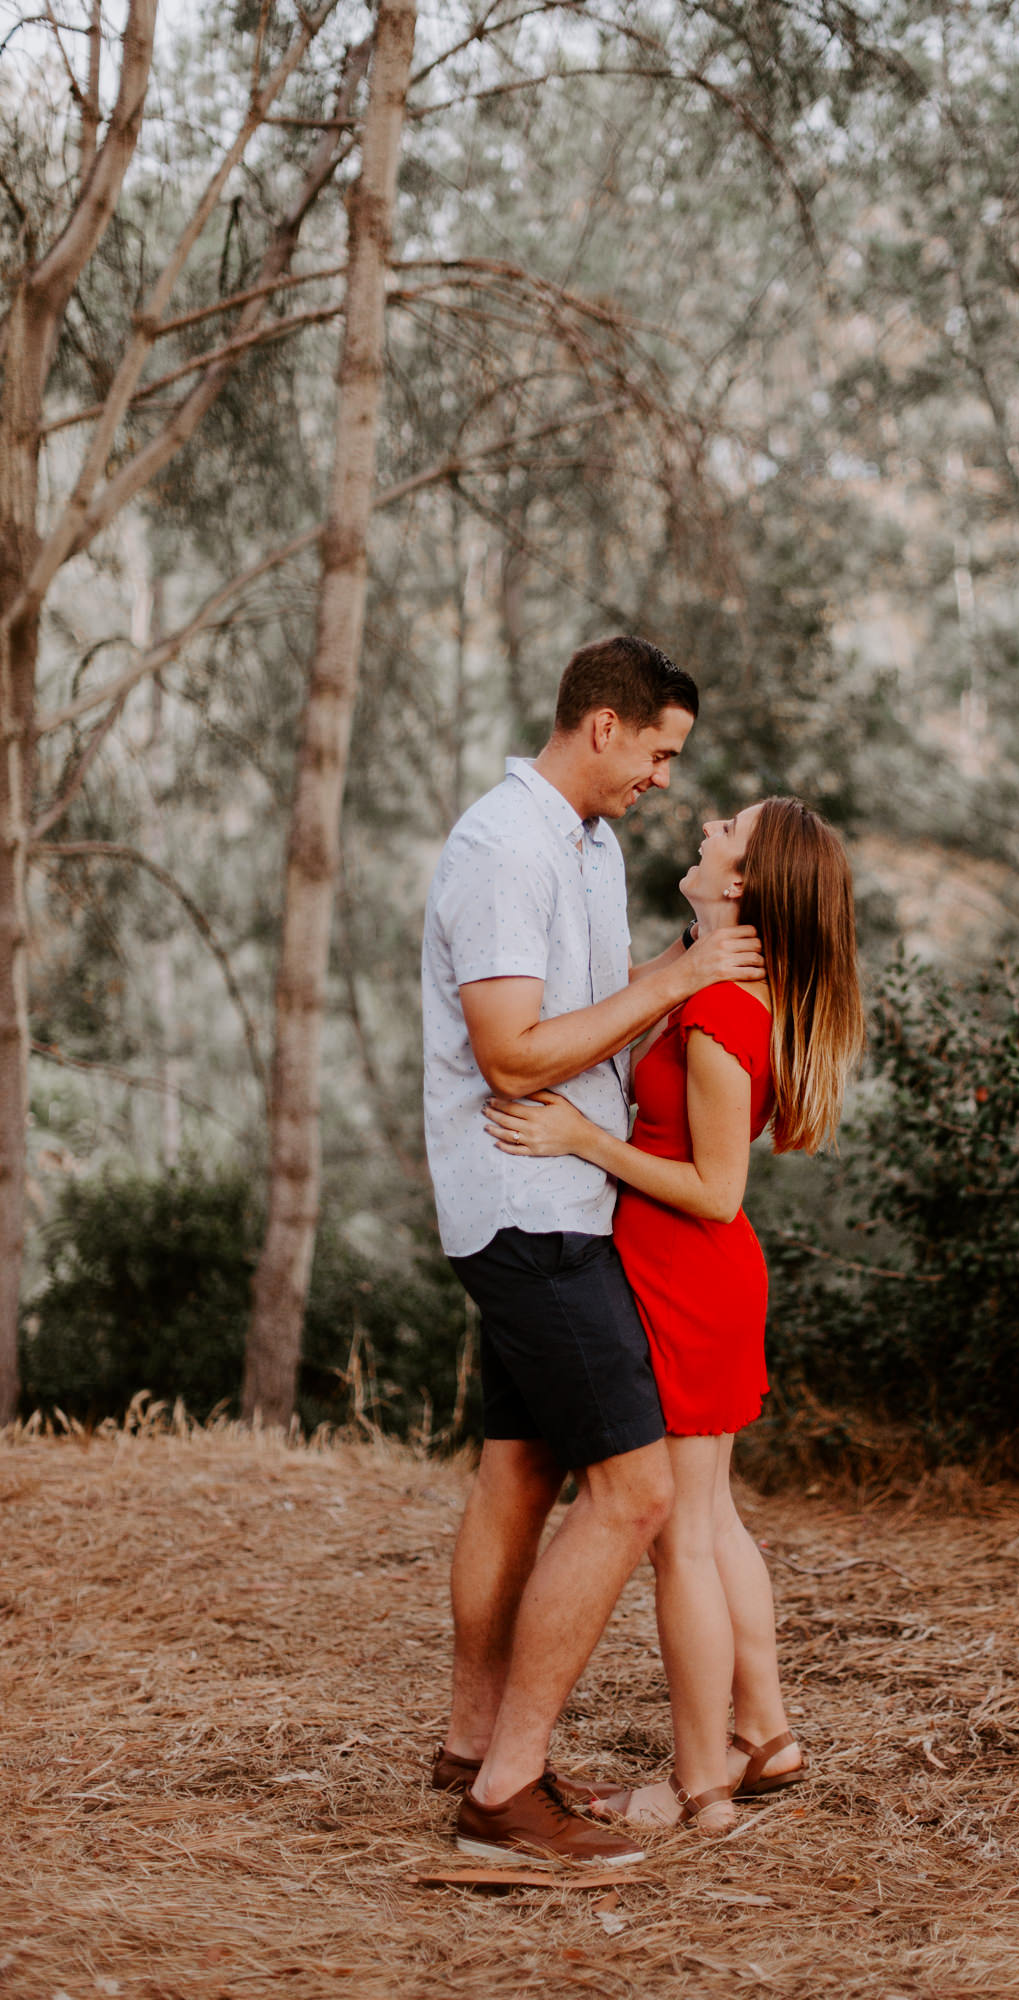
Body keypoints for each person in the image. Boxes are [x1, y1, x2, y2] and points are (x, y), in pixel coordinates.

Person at [422, 634, 766, 1866]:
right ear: (603, 726)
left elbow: (582, 1009)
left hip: (566, 1198)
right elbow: (515, 1050)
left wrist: (669, 978)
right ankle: (507, 1792)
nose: (665, 778)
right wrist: (680, 975)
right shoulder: (504, 847)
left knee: (518, 1472)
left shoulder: (589, 841)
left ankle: (472, 1741)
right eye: (659, 751)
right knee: (633, 1490)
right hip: (530, 1205)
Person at [485, 795, 864, 1832]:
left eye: (723, 831)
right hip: (692, 1275)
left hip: (690, 1271)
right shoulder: (716, 977)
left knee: (681, 1538)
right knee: (713, 1518)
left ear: (741, 883)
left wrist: (579, 1140)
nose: (704, 826)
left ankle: (700, 1783)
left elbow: (714, 1188)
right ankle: (769, 1734)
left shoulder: (719, 1013)